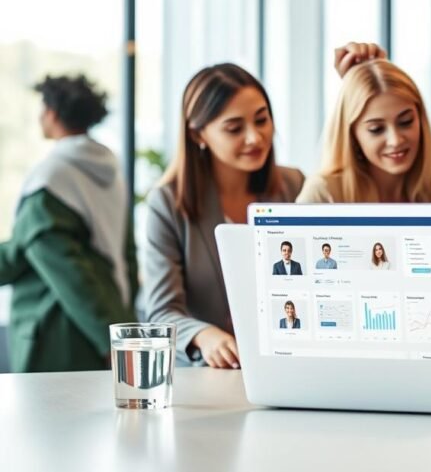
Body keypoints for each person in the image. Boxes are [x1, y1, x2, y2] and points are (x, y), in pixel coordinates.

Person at [141, 64, 304, 369]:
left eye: (261, 120)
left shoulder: (293, 186)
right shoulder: (167, 204)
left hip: (284, 364)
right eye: (234, 128)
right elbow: (161, 312)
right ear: (197, 134)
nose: (255, 138)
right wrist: (204, 336)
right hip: (209, 373)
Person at [0, 75, 137, 372]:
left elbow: (66, 269)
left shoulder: (50, 179)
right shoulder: (110, 173)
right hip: (109, 320)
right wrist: (120, 330)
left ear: (52, 113)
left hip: (55, 336)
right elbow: (128, 254)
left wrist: (108, 339)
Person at [296, 43, 431, 203]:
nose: (395, 140)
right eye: (376, 129)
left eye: (406, 122)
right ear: (352, 134)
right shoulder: (323, 193)